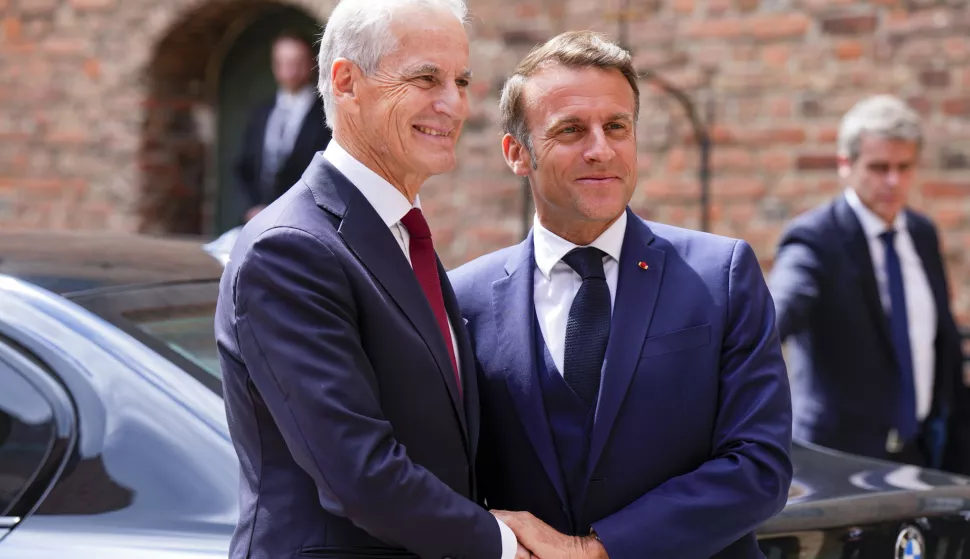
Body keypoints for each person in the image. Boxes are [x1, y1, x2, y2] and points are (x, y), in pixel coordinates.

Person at [449, 31, 793, 559]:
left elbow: (760, 465)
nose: (600, 149)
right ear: (518, 153)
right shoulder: (464, 299)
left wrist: (598, 550)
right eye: (570, 130)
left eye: (616, 127)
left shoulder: (721, 274)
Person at [214, 0, 523, 557]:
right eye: (426, 77)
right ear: (346, 82)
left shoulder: (400, 235)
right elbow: (360, 474)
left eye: (460, 80)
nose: (453, 103)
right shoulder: (290, 250)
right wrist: (503, 544)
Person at [769, 95, 969, 472]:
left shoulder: (922, 234)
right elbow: (780, 307)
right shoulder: (815, 238)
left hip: (923, 452)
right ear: (845, 165)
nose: (893, 181)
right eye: (879, 167)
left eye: (904, 167)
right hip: (838, 462)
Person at [233, 30, 332, 224]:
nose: (289, 71)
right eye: (283, 63)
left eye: (296, 63)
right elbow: (244, 167)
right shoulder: (260, 113)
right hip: (257, 220)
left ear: (311, 64)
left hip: (305, 220)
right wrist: (251, 208)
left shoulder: (326, 115)